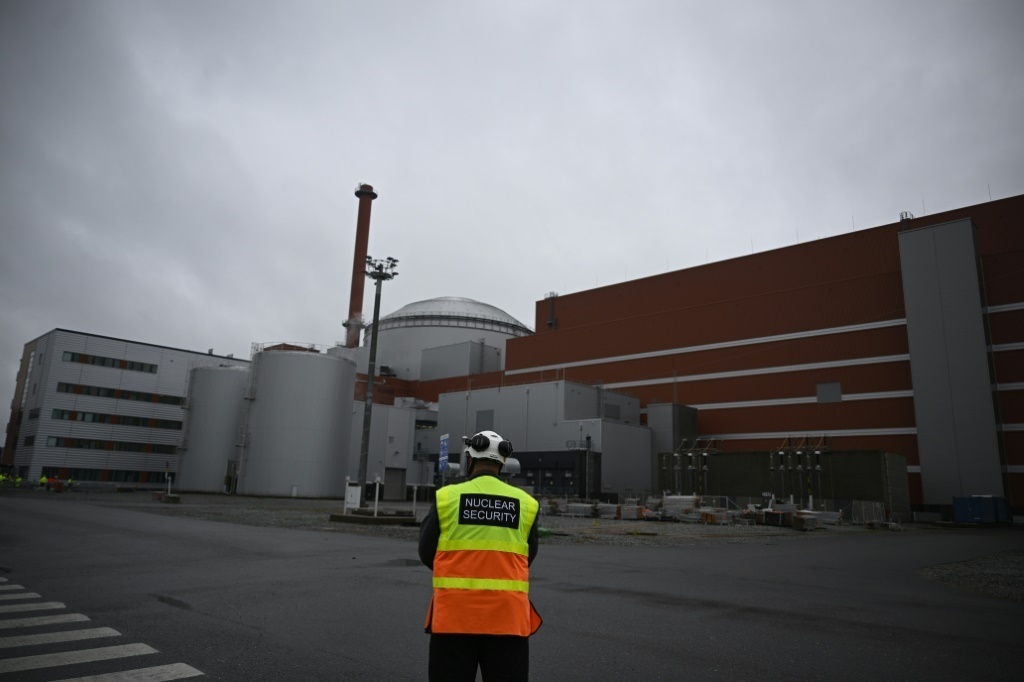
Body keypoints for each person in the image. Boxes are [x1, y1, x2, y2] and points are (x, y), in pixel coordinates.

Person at [419, 430, 541, 682]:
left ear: (470, 459)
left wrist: (457, 567)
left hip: (454, 617)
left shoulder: (447, 497)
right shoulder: (526, 503)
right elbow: (527, 556)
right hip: (508, 619)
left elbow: (426, 551)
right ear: (502, 461)